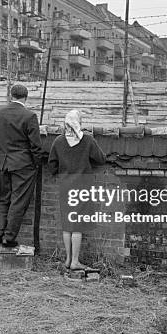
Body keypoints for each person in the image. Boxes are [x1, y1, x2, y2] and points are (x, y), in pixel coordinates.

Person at [48, 109, 106, 271]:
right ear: (78, 123)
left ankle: (67, 260)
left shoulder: (58, 141)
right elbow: (101, 159)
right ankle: (75, 261)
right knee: (77, 226)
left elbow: (51, 165)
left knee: (67, 225)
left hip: (65, 186)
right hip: (82, 186)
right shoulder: (87, 140)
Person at [0, 84, 45, 247]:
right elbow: (35, 145)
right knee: (18, 200)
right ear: (26, 97)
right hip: (23, 164)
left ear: (11, 95)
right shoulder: (29, 116)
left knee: (4, 199)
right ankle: (9, 237)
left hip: (3, 162)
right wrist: (36, 163)